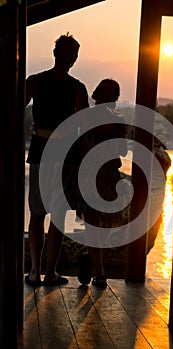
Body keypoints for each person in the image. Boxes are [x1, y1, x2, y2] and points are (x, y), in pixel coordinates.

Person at [25, 33, 89, 287]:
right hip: (66, 156)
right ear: (73, 59)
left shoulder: (35, 82)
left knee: (37, 214)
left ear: (54, 54)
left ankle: (34, 272)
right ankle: (50, 272)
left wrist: (37, 130)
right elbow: (84, 126)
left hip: (41, 151)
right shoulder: (77, 88)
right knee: (59, 216)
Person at [76, 79, 128, 288]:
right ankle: (98, 268)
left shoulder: (87, 119)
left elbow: (82, 145)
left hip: (89, 174)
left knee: (92, 224)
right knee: (103, 224)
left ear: (97, 96)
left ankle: (93, 263)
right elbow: (123, 151)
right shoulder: (119, 120)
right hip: (108, 176)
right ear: (115, 98)